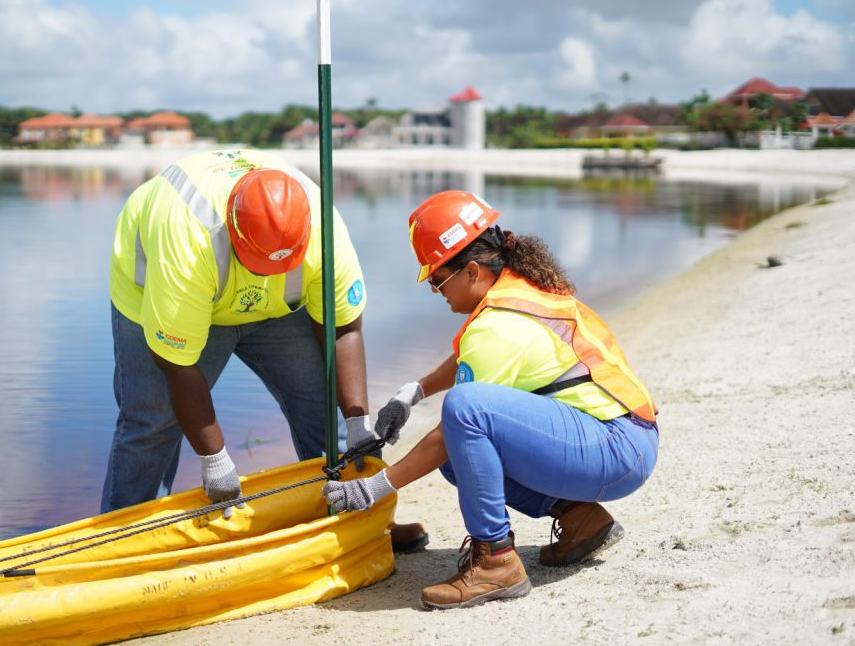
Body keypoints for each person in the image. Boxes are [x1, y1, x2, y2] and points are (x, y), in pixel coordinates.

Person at [322, 189, 659, 610]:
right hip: (624, 439)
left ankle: (495, 561)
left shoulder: (496, 327)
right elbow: (470, 357)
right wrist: (414, 392)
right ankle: (581, 519)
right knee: (457, 448)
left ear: (473, 271)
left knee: (465, 412)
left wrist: (374, 487)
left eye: (437, 279)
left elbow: (457, 424)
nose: (434, 290)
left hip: (613, 449)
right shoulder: (518, 290)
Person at [102, 148, 378, 515]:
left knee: (326, 411)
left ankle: (359, 516)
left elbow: (344, 329)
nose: (267, 272)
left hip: (277, 311)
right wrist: (214, 459)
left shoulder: (324, 230)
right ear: (233, 231)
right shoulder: (186, 237)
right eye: (261, 262)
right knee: (152, 423)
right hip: (174, 298)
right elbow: (175, 364)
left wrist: (359, 423)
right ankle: (121, 539)